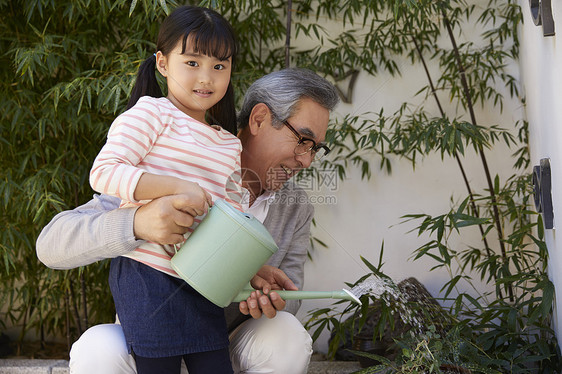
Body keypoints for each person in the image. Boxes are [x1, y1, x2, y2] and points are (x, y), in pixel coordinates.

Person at [36, 68, 340, 373]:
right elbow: (51, 245)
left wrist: (268, 300)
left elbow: (292, 290)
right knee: (96, 349)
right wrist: (136, 223)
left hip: (222, 347)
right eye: (303, 140)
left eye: (316, 148)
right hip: (148, 340)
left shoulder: (295, 206)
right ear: (259, 119)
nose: (306, 160)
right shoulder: (179, 159)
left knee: (286, 334)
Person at [87, 6, 243, 373]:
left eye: (219, 66)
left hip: (203, 281)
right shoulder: (150, 114)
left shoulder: (228, 144)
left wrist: (250, 267)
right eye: (192, 62)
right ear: (162, 63)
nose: (206, 77)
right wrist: (178, 187)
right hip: (148, 273)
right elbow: (104, 172)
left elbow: (231, 215)